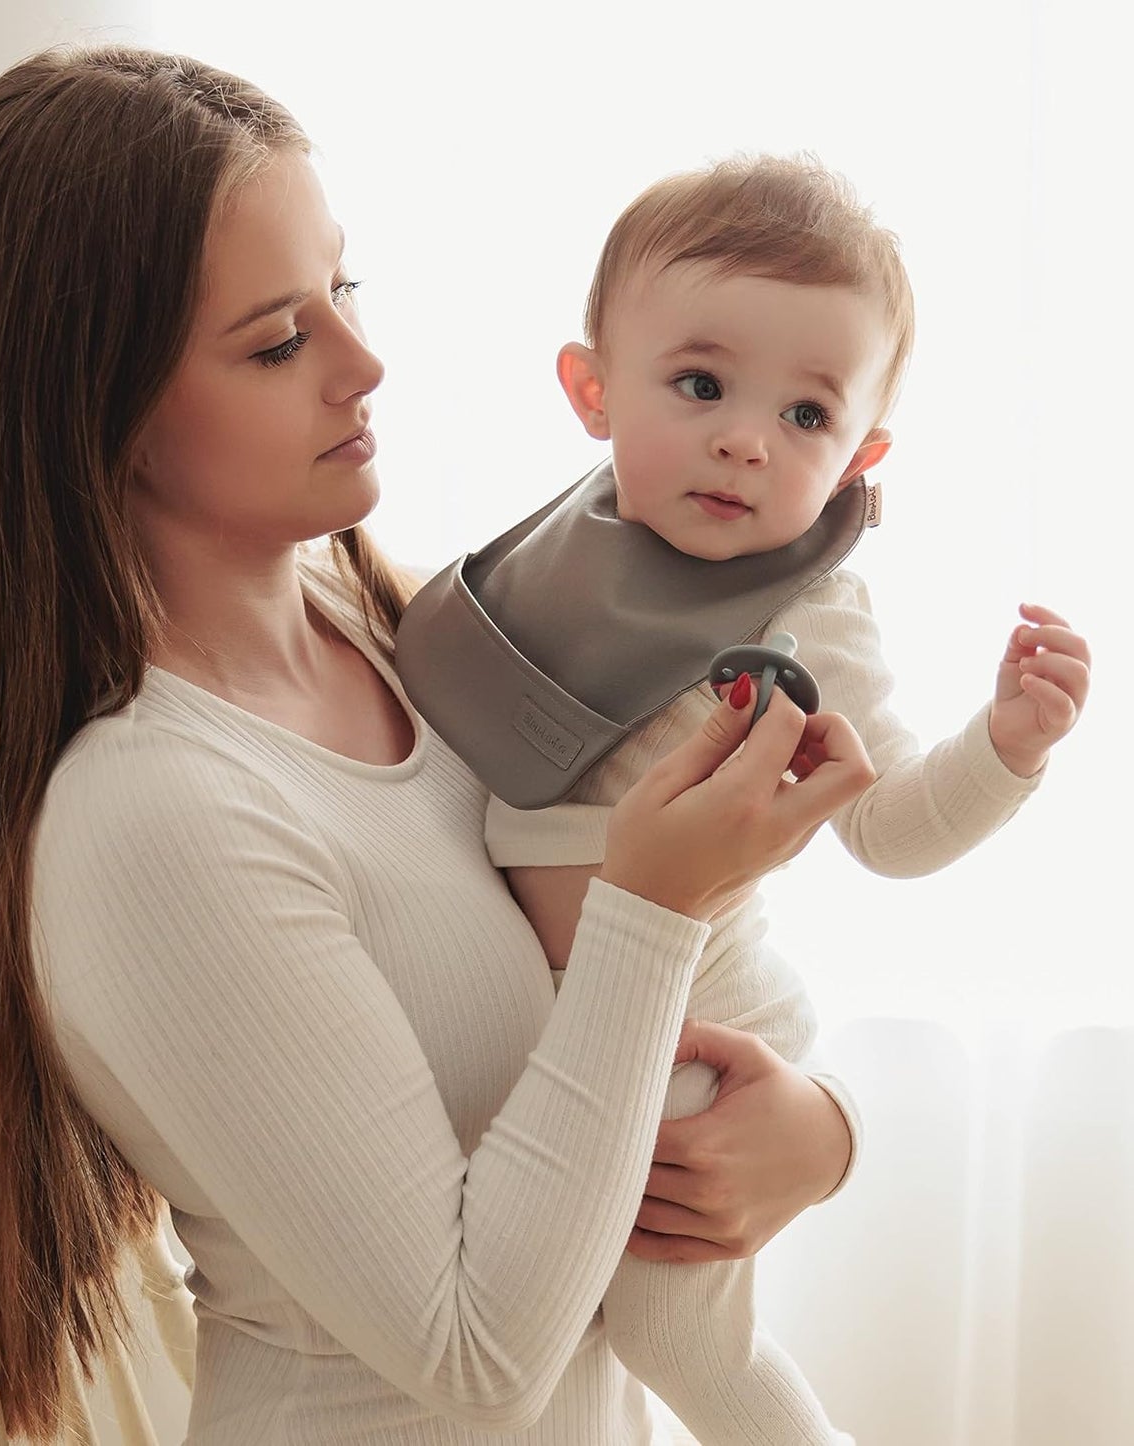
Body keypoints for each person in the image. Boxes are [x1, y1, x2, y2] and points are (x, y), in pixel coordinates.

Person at [0, 46, 885, 1445]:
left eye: (343, 289)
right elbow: (474, 1352)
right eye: (279, 340)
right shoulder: (152, 815)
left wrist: (816, 1131)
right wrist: (652, 901)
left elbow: (623, 1056)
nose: (365, 362)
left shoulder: (411, 641)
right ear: (96, 408)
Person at [395, 154, 1092, 1444]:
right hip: (567, 1040)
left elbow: (886, 831)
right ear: (591, 391)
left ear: (863, 455)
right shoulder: (542, 557)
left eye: (808, 416)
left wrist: (1005, 749)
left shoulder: (807, 608)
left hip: (695, 1030)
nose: (745, 438)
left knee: (679, 1345)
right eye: (701, 385)